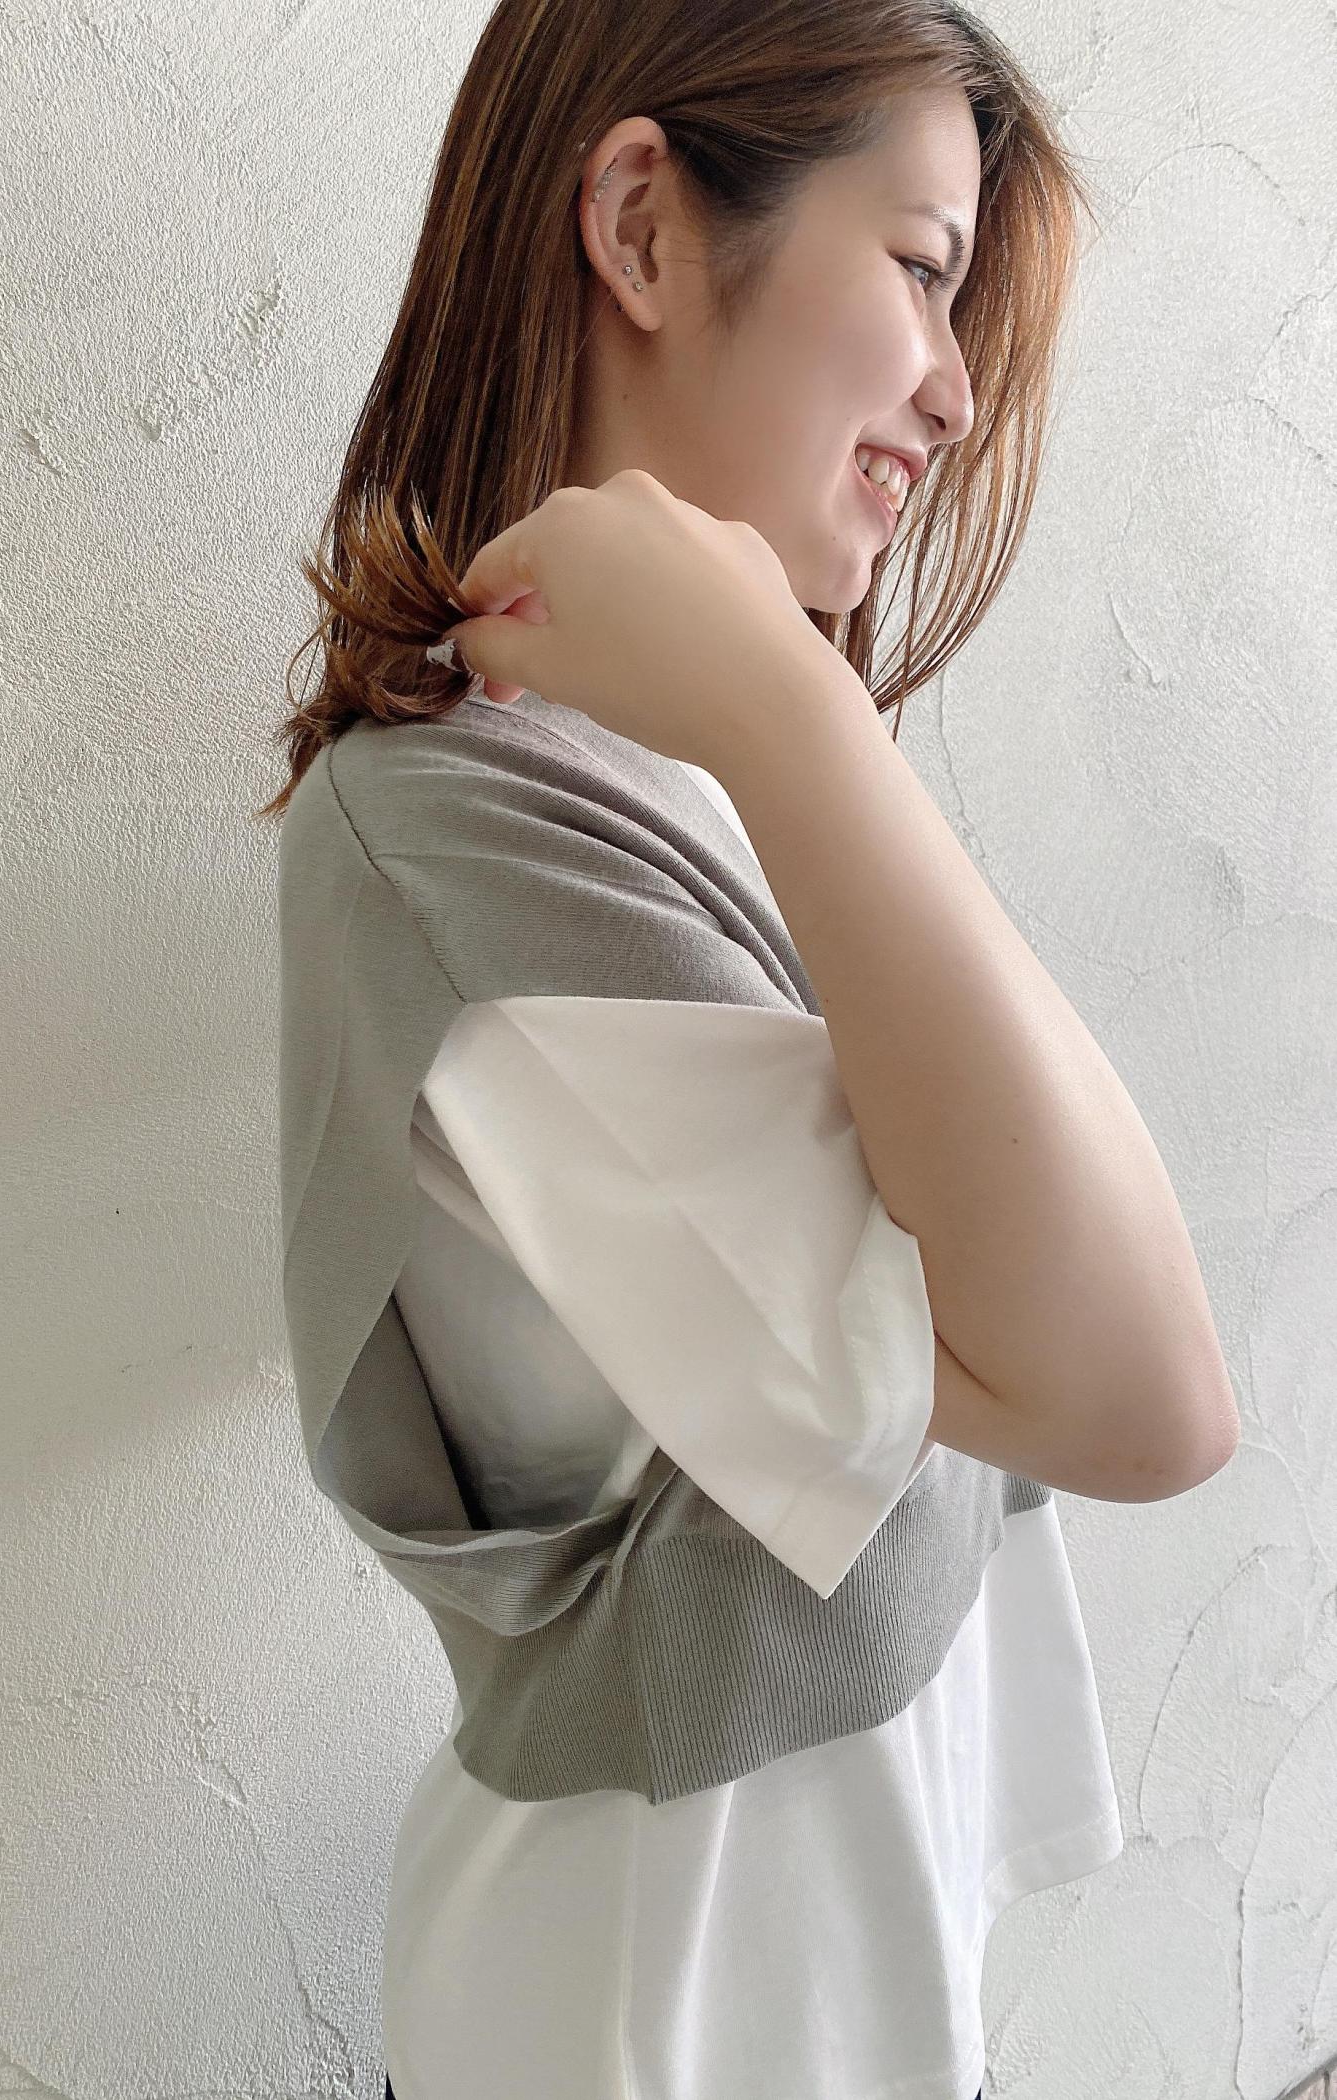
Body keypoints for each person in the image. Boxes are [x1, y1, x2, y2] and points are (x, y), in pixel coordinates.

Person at [265, 4, 1239, 2096]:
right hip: (658, 2000)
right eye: (922, 269)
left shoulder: (694, 765)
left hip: (800, 1952)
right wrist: (800, 721)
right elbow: (1142, 1395)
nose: (958, 391)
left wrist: (782, 719)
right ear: (641, 223)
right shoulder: (464, 830)